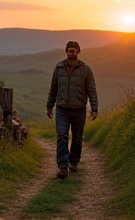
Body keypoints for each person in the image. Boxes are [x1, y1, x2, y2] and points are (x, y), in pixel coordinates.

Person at [46, 40, 98, 179]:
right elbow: (53, 88)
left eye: (74, 50)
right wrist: (49, 106)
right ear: (66, 52)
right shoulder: (59, 68)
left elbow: (91, 90)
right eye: (70, 50)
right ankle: (63, 166)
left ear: (78, 52)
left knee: (77, 138)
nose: (72, 53)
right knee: (62, 136)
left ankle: (73, 162)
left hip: (79, 109)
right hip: (62, 109)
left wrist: (94, 108)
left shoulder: (85, 69)